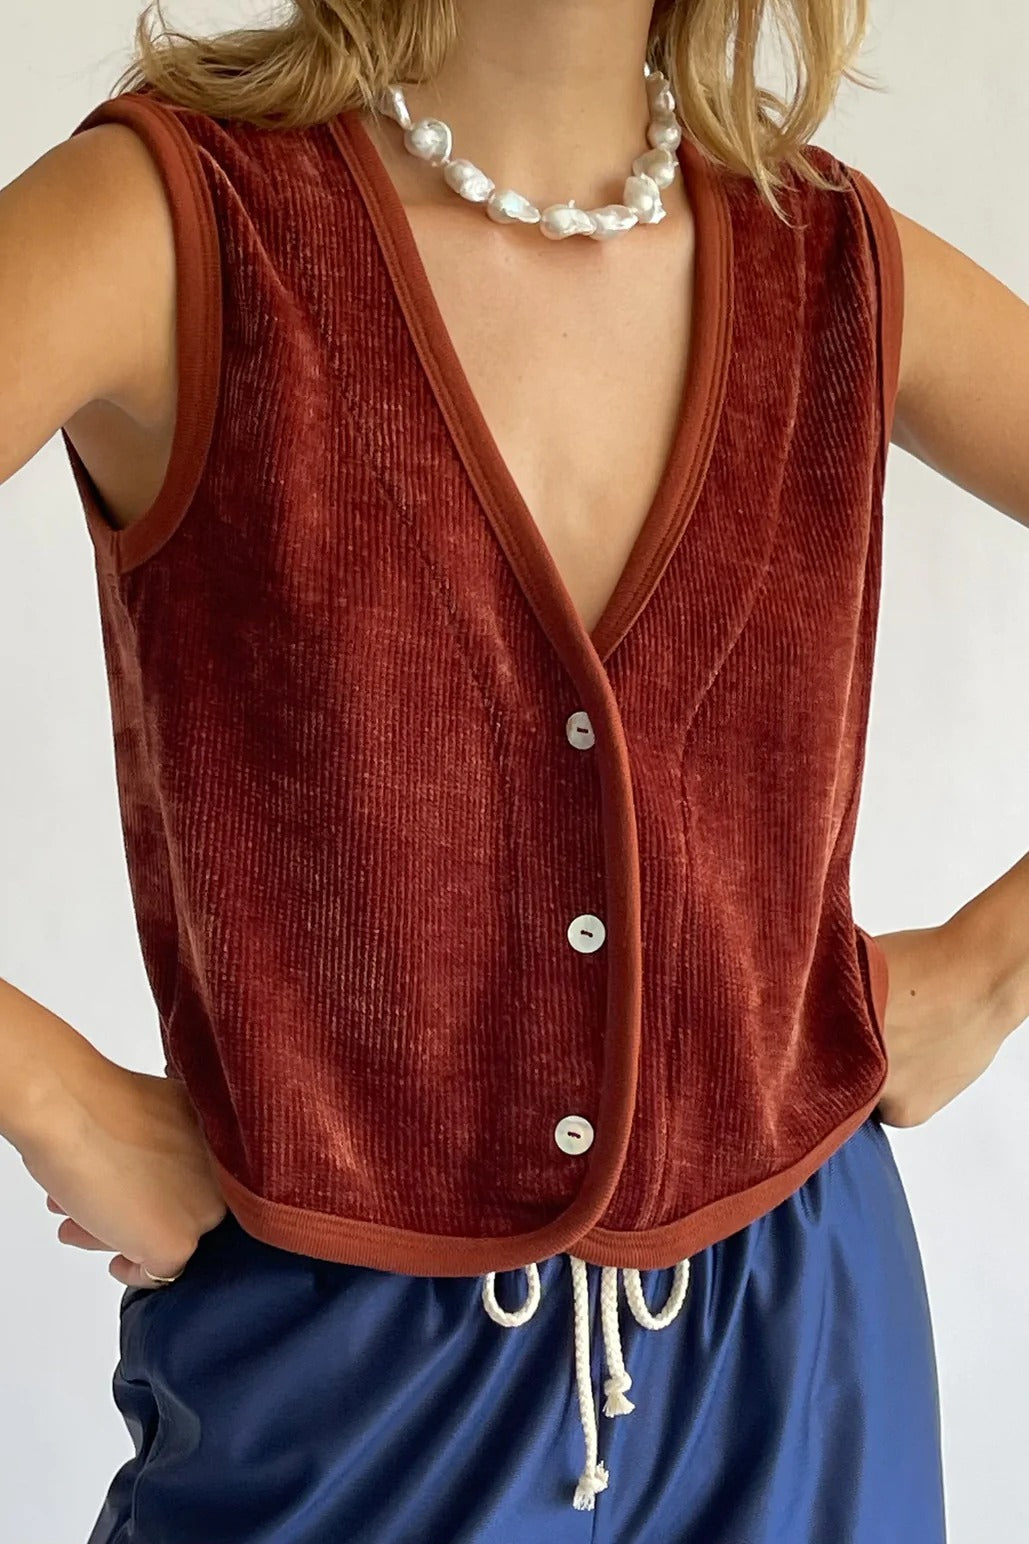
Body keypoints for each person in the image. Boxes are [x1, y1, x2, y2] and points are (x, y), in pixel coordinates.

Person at [1, 1, 1027, 1539]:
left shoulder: (830, 264)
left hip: (799, 1323)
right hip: (348, 1367)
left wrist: (993, 969)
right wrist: (49, 1091)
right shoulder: (168, 225)